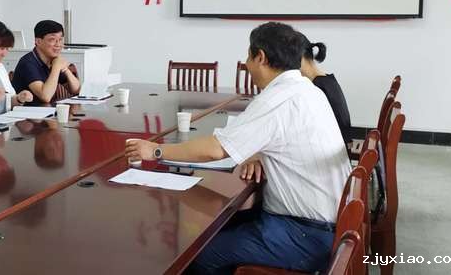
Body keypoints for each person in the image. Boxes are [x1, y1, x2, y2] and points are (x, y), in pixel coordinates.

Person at [126, 22, 351, 274]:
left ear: (260, 57)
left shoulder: (277, 99)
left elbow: (215, 150)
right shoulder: (306, 89)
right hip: (326, 225)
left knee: (198, 254)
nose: (246, 64)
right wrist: (259, 152)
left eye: (248, 56)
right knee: (221, 225)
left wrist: (155, 151)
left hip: (305, 235)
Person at [299, 34, 353, 144]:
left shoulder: (317, 87)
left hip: (334, 148)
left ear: (299, 57)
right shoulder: (326, 80)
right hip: (340, 145)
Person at [11, 20, 81, 105]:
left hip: (47, 111)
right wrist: (56, 67)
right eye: (52, 40)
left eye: (60, 39)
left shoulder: (54, 60)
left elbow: (77, 90)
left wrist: (66, 70)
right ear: (38, 42)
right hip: (27, 112)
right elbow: (45, 96)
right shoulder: (28, 63)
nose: (58, 44)